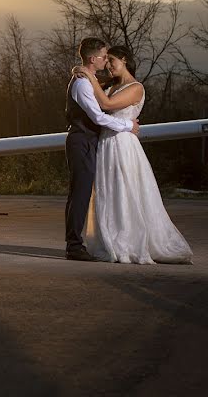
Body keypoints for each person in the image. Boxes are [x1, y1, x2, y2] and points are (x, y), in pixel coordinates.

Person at [73, 45, 193, 264]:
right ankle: (111, 237)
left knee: (125, 188)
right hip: (106, 144)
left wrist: (88, 76)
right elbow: (90, 99)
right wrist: (83, 75)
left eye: (111, 60)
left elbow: (105, 104)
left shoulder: (136, 88)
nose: (108, 65)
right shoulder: (110, 85)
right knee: (109, 191)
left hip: (123, 144)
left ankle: (129, 240)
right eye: (105, 60)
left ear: (124, 60)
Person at [65, 38, 139, 262]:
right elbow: (98, 116)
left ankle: (77, 243)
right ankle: (74, 246)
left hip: (89, 142)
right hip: (82, 141)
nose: (106, 61)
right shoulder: (82, 84)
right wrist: (129, 126)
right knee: (80, 193)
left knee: (82, 192)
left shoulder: (91, 81)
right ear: (92, 58)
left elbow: (108, 90)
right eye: (104, 56)